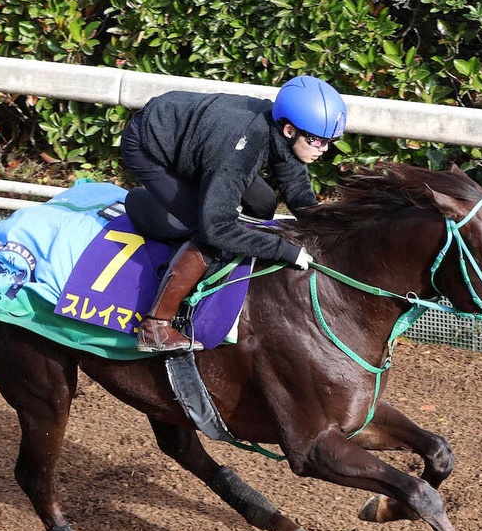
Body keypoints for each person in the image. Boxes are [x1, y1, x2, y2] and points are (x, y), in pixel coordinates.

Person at [120, 75, 347, 353]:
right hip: (149, 146)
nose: (323, 150)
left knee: (262, 203)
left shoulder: (279, 132)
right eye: (317, 141)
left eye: (328, 142)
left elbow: (297, 189)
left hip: (197, 143)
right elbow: (216, 228)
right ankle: (156, 325)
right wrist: (282, 250)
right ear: (289, 130)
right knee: (202, 229)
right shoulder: (239, 152)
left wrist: (327, 230)